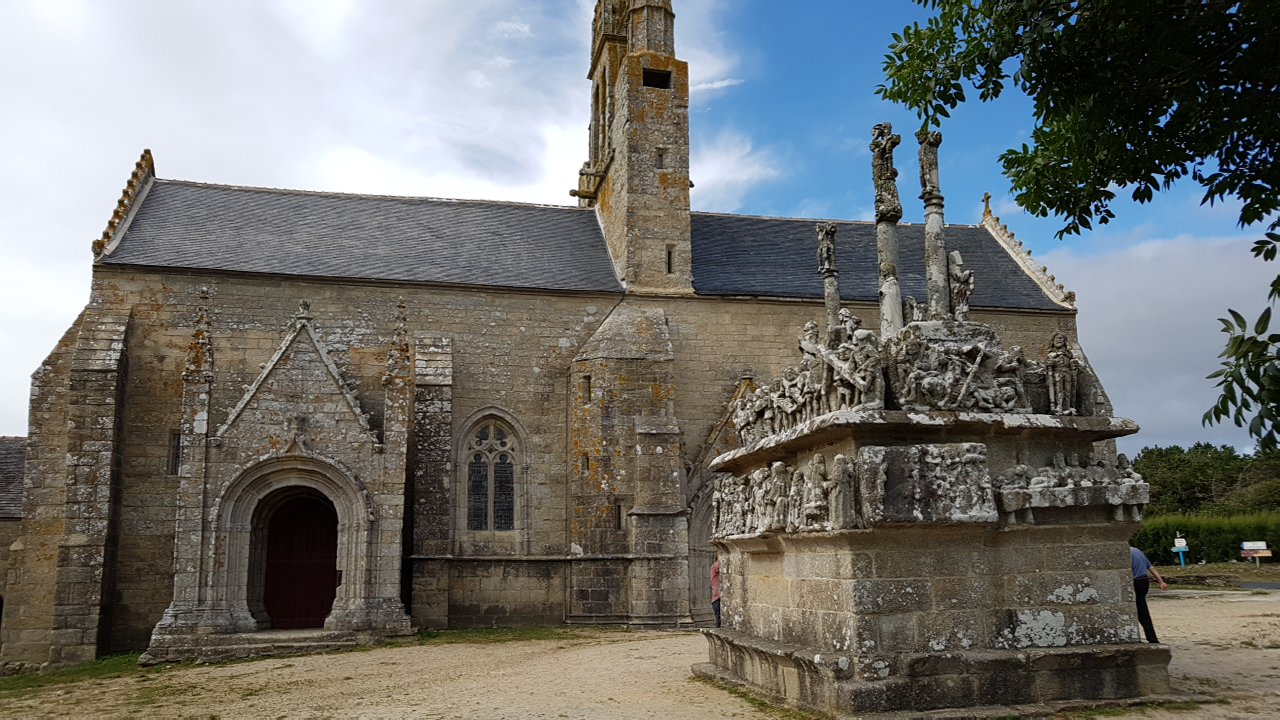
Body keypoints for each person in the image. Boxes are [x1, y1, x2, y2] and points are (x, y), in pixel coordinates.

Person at [1130, 545, 1167, 643]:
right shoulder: (1137, 550)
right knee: (1141, 608)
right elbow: (1151, 567)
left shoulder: (1126, 552)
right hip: (1144, 582)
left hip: (1135, 582)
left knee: (1141, 611)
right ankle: (1150, 637)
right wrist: (1161, 582)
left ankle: (1151, 638)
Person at [710, 556, 722, 628]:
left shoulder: (714, 565)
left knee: (719, 618)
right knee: (718, 618)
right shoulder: (715, 565)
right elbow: (719, 567)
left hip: (717, 596)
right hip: (717, 596)